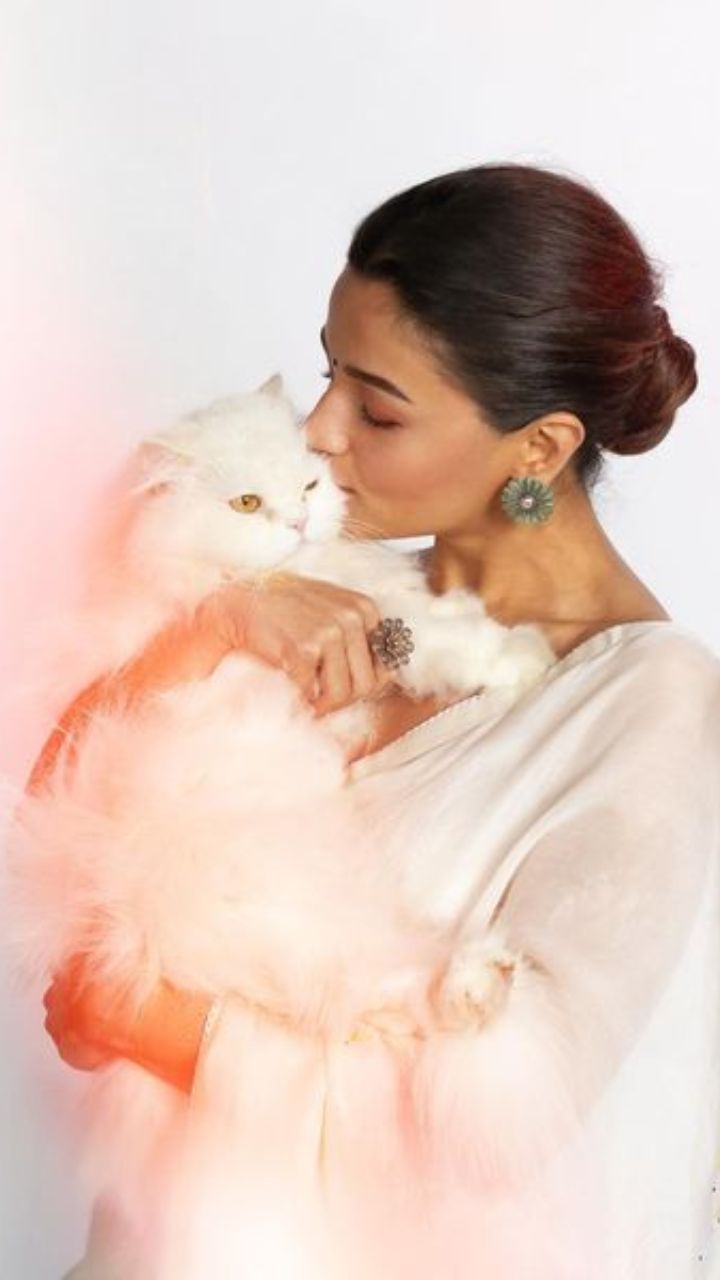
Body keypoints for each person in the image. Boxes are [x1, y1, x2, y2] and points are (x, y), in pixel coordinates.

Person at [31, 163, 720, 1278]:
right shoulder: (314, 582)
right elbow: (55, 822)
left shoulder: (648, 706)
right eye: (327, 373)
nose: (317, 432)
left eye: (378, 407)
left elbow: (512, 1132)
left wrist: (153, 1023)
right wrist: (213, 624)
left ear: (540, 449)